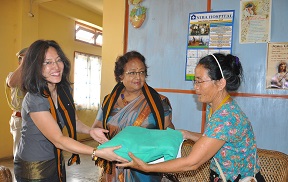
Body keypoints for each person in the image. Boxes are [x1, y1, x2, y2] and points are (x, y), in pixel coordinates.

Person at [117, 53, 265, 182]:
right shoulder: (215, 106)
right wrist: (187, 134)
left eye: (200, 81)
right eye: (195, 80)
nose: (196, 87)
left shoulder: (227, 117)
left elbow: (191, 162)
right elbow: (214, 138)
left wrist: (147, 167)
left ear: (220, 83)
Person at [14, 40, 127, 182]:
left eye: (58, 60)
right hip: (33, 167)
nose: (56, 66)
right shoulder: (35, 99)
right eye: (47, 62)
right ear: (35, 67)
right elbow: (59, 140)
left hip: (54, 159)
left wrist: (90, 131)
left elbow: (72, 120)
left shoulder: (62, 90)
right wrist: (97, 152)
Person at [91, 50, 175, 181]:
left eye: (142, 72)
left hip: (145, 169)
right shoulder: (109, 101)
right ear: (120, 76)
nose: (138, 77)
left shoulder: (159, 102)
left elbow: (169, 132)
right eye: (132, 73)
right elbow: (97, 126)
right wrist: (101, 139)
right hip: (114, 165)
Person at [5, 47, 28, 158]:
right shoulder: (12, 75)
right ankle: (19, 175)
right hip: (19, 120)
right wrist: (24, 64)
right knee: (19, 154)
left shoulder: (33, 77)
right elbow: (12, 83)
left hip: (34, 119)